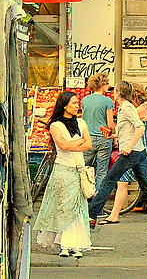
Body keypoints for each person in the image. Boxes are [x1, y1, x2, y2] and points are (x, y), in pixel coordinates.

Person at [88, 81, 147, 230]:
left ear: (120, 93)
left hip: (131, 152)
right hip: (139, 152)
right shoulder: (124, 108)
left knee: (109, 181)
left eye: (115, 91)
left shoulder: (127, 107)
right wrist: (112, 135)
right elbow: (127, 130)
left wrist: (128, 146)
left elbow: (139, 127)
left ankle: (91, 215)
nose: (113, 93)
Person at [33, 91, 92, 258]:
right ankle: (63, 243)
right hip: (62, 171)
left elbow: (88, 145)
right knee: (62, 208)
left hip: (78, 170)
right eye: (74, 103)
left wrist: (73, 143)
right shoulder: (55, 125)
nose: (77, 106)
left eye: (77, 102)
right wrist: (78, 141)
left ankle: (74, 243)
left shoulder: (81, 122)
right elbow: (62, 145)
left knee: (76, 208)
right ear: (65, 105)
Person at [81, 73, 115, 189]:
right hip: (103, 138)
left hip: (88, 138)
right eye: (107, 84)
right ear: (102, 84)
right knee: (101, 171)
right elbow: (110, 124)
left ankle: (84, 193)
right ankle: (98, 198)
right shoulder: (107, 101)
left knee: (84, 168)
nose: (108, 87)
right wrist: (114, 137)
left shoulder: (84, 100)